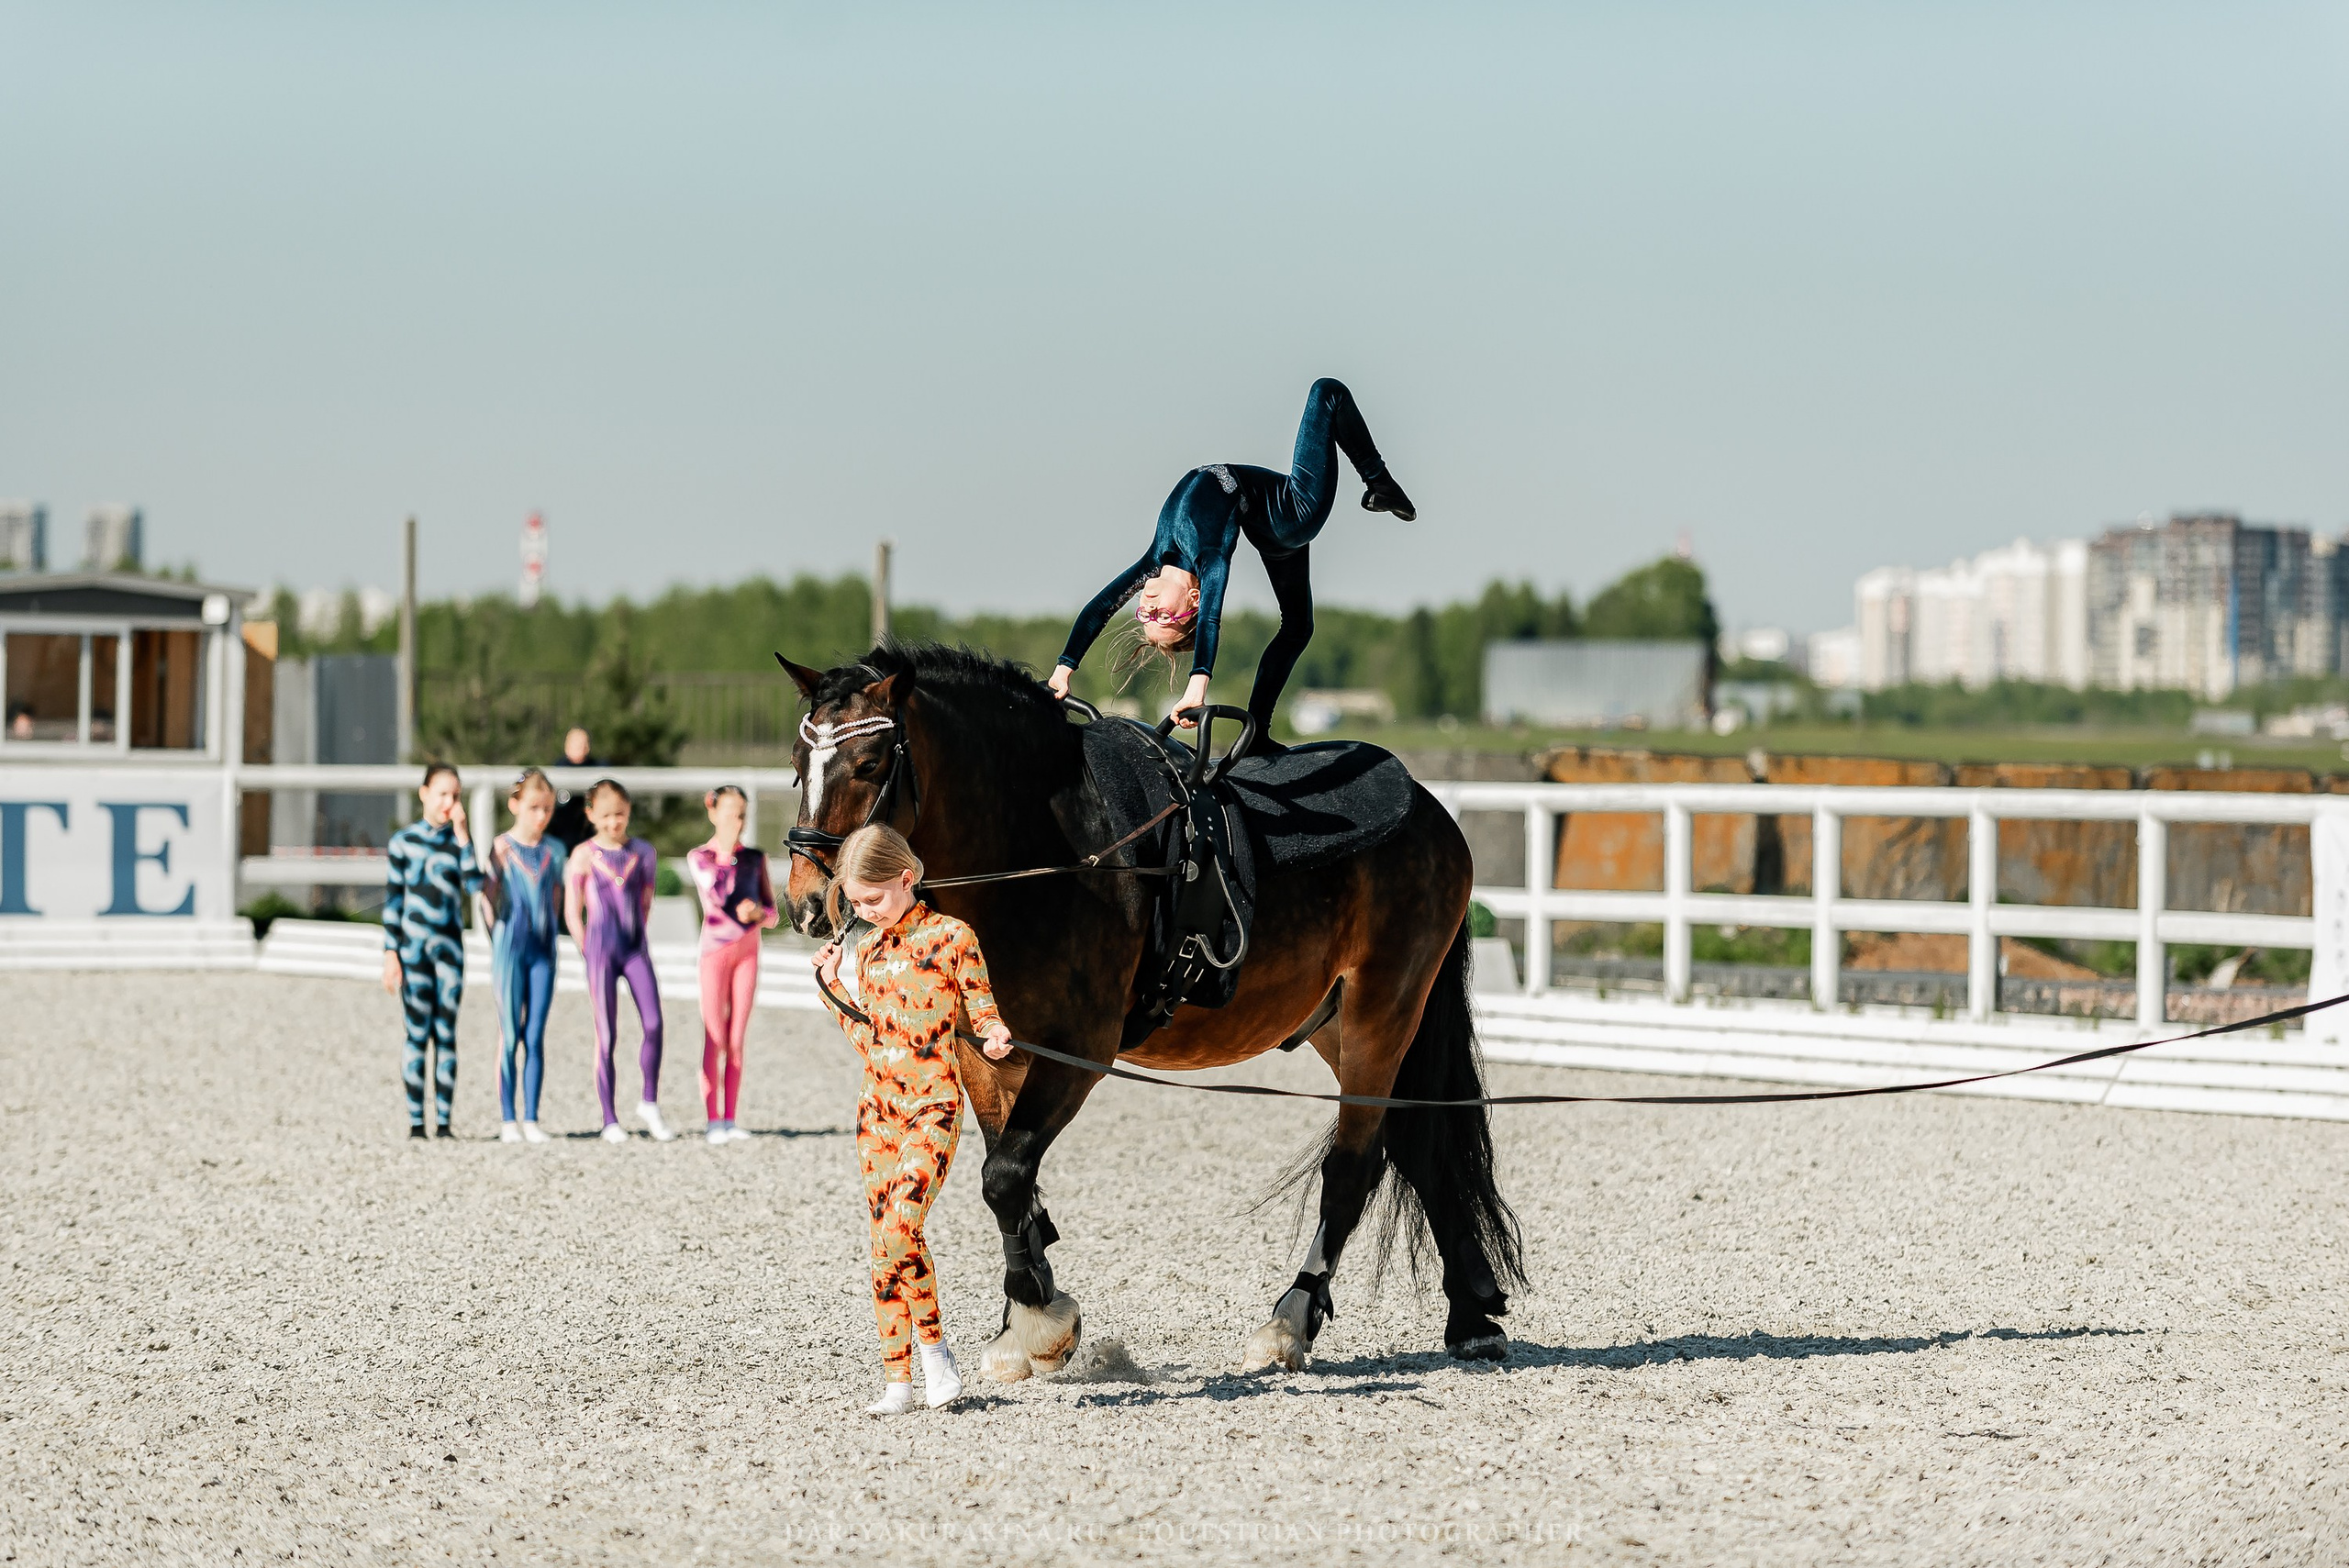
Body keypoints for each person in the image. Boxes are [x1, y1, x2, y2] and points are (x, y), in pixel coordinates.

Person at [1046, 377, 1414, 736]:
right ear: (1193, 599)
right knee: (1327, 392)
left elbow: (1100, 607)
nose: (1149, 604)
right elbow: (1211, 619)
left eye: (1145, 614)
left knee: (1298, 627)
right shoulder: (1210, 559)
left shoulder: (1154, 561)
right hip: (1293, 513)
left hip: (1268, 519)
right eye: (1163, 616)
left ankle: (1258, 735)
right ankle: (1380, 482)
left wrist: (1064, 669)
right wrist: (1198, 685)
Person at [813, 825, 1014, 1415]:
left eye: (873, 898)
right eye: (854, 902)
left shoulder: (955, 938)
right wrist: (830, 990)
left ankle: (935, 1355)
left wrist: (996, 1035)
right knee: (885, 1246)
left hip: (933, 1107)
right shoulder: (868, 950)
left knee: (901, 1225)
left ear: (907, 878)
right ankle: (897, 1381)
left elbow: (983, 1013)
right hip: (877, 1112)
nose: (864, 912)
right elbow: (872, 1040)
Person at [564, 778, 673, 1142]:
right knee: (607, 1034)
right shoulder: (583, 855)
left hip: (633, 948)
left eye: (621, 815)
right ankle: (609, 1117)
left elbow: (645, 901)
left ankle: (648, 1100)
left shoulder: (643, 852)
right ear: (592, 814)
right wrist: (585, 946)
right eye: (608, 815)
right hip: (600, 950)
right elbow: (572, 910)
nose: (615, 823)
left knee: (655, 1023)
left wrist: (637, 936)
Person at [381, 762, 484, 1139]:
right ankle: (414, 1122)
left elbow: (475, 885)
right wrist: (390, 953)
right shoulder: (403, 842)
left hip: (449, 953)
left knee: (446, 1034)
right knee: (416, 1034)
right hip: (413, 952)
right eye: (442, 793)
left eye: (455, 796)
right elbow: (392, 902)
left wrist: (463, 836)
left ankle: (443, 1122)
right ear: (424, 793)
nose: (449, 802)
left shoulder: (458, 843)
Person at [688, 785, 779, 1144]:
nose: (736, 821)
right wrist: (725, 853)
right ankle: (712, 1119)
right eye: (729, 812)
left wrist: (759, 913)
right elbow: (717, 895)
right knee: (715, 1036)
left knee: (737, 1037)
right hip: (714, 952)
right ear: (713, 812)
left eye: (741, 813)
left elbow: (772, 914)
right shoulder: (701, 857)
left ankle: (730, 1117)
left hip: (748, 953)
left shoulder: (756, 858)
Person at [480, 769, 563, 1145]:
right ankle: (508, 1119)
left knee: (535, 1034)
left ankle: (532, 1117)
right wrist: (495, 940)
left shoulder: (554, 851)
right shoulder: (501, 847)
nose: (541, 816)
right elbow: (486, 898)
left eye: (546, 808)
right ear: (515, 805)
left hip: (543, 952)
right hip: (509, 951)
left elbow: (557, 900)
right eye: (533, 808)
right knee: (510, 1034)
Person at [546, 727, 602, 857]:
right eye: (576, 744)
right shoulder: (557, 771)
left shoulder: (597, 769)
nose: (581, 747)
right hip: (562, 842)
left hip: (590, 842)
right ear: (567, 746)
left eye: (583, 744)